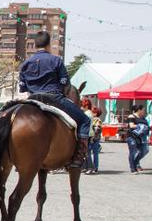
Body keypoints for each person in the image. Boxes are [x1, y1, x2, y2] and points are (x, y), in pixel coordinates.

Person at [18, 31, 90, 168]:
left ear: (34, 45)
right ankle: (79, 156)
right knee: (85, 120)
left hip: (32, 99)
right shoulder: (56, 60)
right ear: (49, 44)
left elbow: (22, 87)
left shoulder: (26, 63)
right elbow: (65, 84)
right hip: (53, 98)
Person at [126, 104, 149, 174]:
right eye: (143, 110)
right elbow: (131, 125)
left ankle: (135, 163)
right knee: (132, 152)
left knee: (145, 151)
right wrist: (141, 126)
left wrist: (146, 128)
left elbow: (147, 126)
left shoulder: (143, 117)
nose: (144, 111)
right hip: (132, 137)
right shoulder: (131, 116)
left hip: (142, 137)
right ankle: (132, 168)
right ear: (139, 110)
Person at [86, 107, 103, 174]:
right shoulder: (96, 120)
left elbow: (97, 130)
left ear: (95, 113)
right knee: (94, 153)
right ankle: (94, 167)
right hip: (96, 138)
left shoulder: (97, 120)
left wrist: (92, 137)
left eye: (92, 112)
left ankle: (94, 167)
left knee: (92, 153)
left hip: (94, 139)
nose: (91, 113)